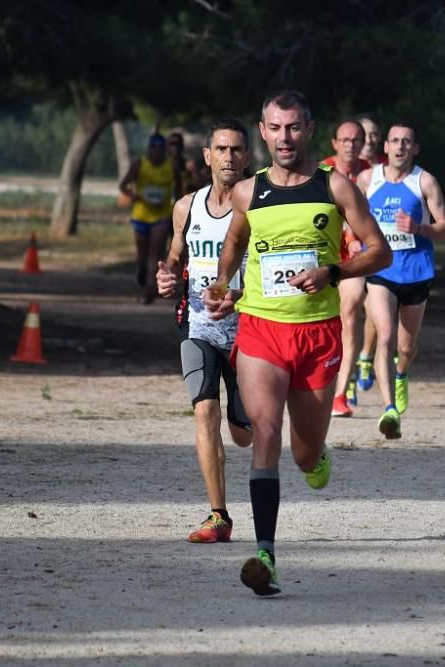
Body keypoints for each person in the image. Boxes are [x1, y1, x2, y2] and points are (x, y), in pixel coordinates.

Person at [204, 90, 391, 596]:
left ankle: (317, 457)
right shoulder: (248, 191)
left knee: (305, 455)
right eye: (274, 128)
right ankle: (265, 554)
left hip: (317, 334)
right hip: (262, 328)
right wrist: (224, 285)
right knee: (265, 432)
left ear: (309, 130)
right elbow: (236, 241)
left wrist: (333, 270)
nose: (284, 138)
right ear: (261, 133)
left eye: (293, 128)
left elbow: (380, 252)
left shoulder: (336, 187)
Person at [156, 119, 254, 544]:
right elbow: (176, 257)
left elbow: (273, 272)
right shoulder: (187, 206)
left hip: (250, 329)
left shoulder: (258, 205)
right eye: (222, 149)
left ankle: (248, 415)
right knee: (204, 411)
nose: (229, 157)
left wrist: (239, 294)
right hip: (199, 324)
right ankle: (219, 516)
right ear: (207, 156)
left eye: (236, 150)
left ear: (247, 157)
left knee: (244, 434)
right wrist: (166, 277)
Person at [356, 122, 445, 440]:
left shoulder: (424, 181)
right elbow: (350, 218)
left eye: (406, 142)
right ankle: (389, 409)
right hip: (380, 271)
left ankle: (401, 373)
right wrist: (356, 241)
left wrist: (419, 228)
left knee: (406, 345)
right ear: (385, 146)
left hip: (416, 272)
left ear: (415, 148)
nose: (399, 146)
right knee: (384, 333)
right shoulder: (369, 179)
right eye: (394, 141)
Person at [320, 119, 371, 418]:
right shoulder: (321, 172)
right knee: (327, 321)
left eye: (357, 139)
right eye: (346, 139)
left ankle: (340, 394)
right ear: (335, 143)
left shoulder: (371, 172)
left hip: (354, 258)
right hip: (324, 255)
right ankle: (322, 382)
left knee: (350, 315)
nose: (351, 144)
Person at [353, 115, 388, 392]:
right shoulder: (334, 166)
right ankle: (347, 363)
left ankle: (365, 355)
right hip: (347, 250)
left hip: (377, 249)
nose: (369, 139)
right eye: (364, 133)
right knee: (350, 308)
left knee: (374, 311)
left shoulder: (387, 170)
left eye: (375, 134)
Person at [120, 134, 176, 304]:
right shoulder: (140, 164)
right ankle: (142, 271)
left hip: (161, 215)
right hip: (141, 215)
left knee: (155, 254)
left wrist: (180, 203)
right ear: (149, 149)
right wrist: (133, 196)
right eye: (153, 147)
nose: (157, 151)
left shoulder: (171, 165)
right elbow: (123, 185)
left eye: (160, 148)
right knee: (142, 255)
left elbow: (178, 186)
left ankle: (149, 289)